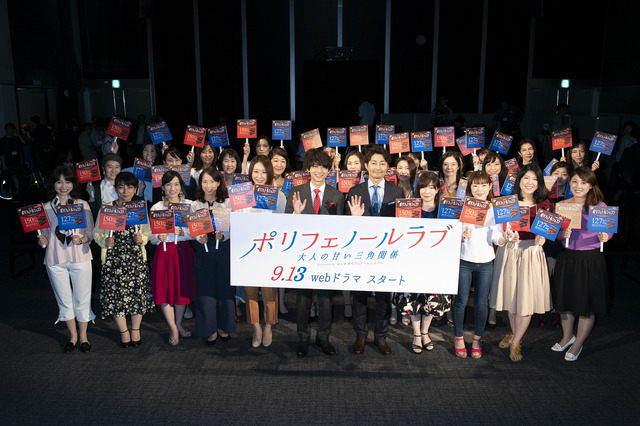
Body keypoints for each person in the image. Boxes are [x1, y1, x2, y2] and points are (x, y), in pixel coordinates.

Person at [285, 149, 345, 357]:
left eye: (324, 167)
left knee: (326, 299)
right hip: (302, 254)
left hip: (327, 257)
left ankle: (323, 338)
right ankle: (302, 338)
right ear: (308, 168)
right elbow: (286, 226)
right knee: (302, 300)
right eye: (315, 166)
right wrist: (296, 214)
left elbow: (341, 229)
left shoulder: (337, 196)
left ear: (329, 170)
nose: (319, 170)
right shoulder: (296, 192)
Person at [345, 145, 404, 355]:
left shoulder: (397, 192)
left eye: (382, 163)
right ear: (366, 165)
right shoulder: (355, 191)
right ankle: (360, 335)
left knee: (383, 296)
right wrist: (354, 219)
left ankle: (381, 336)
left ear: (388, 167)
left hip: (386, 252)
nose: (378, 167)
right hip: (361, 251)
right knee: (359, 295)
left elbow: (402, 224)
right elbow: (344, 228)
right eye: (373, 163)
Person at [491, 164, 552, 362]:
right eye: (526, 178)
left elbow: (549, 231)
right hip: (510, 252)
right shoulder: (507, 203)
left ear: (539, 183)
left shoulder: (545, 205)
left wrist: (543, 239)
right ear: (519, 180)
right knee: (511, 296)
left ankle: (516, 340)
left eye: (535, 179)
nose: (530, 183)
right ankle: (515, 333)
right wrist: (505, 236)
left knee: (525, 298)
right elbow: (498, 231)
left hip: (531, 253)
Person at [551, 167, 612, 361]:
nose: (579, 186)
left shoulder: (599, 206)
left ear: (591, 185)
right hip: (568, 258)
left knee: (587, 304)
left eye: (584, 182)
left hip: (591, 259)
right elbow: (555, 233)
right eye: (575, 181)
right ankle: (568, 337)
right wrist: (562, 234)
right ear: (570, 184)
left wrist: (606, 236)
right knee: (565, 302)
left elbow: (608, 233)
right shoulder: (562, 205)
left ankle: (578, 343)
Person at [37, 165, 96, 353]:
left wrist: (83, 239)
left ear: (73, 183)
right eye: (59, 182)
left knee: (82, 298)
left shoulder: (82, 205)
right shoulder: (45, 208)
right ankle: (73, 335)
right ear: (53, 184)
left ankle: (84, 336)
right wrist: (42, 241)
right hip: (55, 259)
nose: (63, 186)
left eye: (68, 181)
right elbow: (45, 238)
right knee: (64, 300)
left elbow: (90, 234)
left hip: (80, 257)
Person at [393, 172, 452, 354]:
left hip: (437, 262)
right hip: (413, 260)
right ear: (419, 189)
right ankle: (417, 334)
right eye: (424, 187)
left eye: (432, 187)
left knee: (432, 298)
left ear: (437, 190)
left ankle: (425, 332)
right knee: (414, 298)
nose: (427, 191)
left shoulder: (445, 209)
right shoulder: (409, 208)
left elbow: (452, 233)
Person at [93, 172, 154, 348]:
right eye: (121, 186)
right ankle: (123, 331)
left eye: (129, 187)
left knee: (137, 294)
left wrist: (141, 238)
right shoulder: (107, 209)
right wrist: (105, 241)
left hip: (135, 258)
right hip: (114, 258)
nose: (125, 190)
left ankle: (135, 329)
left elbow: (147, 232)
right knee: (116, 296)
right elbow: (97, 233)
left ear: (135, 189)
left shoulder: (139, 207)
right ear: (116, 188)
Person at [452, 172, 506, 358]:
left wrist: (504, 239)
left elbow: (496, 237)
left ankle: (477, 339)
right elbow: (452, 234)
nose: (479, 189)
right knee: (460, 301)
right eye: (475, 185)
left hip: (485, 262)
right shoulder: (462, 208)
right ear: (470, 188)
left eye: (483, 185)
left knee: (482, 303)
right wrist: (460, 237)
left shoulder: (494, 210)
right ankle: (458, 337)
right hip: (464, 260)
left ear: (490, 187)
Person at [237, 155, 286, 348]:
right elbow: (236, 219)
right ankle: (256, 325)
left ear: (270, 173)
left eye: (263, 172)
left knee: (269, 293)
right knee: (250, 292)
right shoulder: (242, 194)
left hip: (269, 251)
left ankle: (268, 325)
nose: (259, 176)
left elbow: (283, 225)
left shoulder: (278, 195)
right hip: (248, 252)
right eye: (255, 171)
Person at [149, 170, 195, 346]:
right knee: (165, 291)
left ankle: (178, 323)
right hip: (165, 252)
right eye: (168, 184)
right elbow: (151, 236)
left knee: (181, 291)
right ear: (163, 187)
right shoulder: (157, 208)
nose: (172, 188)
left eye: (176, 184)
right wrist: (158, 237)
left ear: (181, 186)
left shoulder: (189, 205)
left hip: (183, 252)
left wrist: (183, 231)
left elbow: (196, 232)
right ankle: (173, 328)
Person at [191, 167, 235, 346]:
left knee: (225, 289)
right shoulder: (195, 205)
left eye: (212, 181)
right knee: (206, 290)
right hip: (203, 250)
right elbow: (190, 228)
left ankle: (224, 326)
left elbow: (234, 226)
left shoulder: (227, 203)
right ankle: (209, 329)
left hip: (223, 248)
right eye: (204, 181)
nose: (208, 186)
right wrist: (198, 237)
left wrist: (224, 235)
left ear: (218, 183)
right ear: (200, 183)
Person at [88, 153, 122, 220]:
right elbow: (94, 213)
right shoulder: (96, 188)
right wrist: (91, 196)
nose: (113, 170)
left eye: (117, 167)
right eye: (110, 167)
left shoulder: (127, 185)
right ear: (103, 168)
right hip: (105, 225)